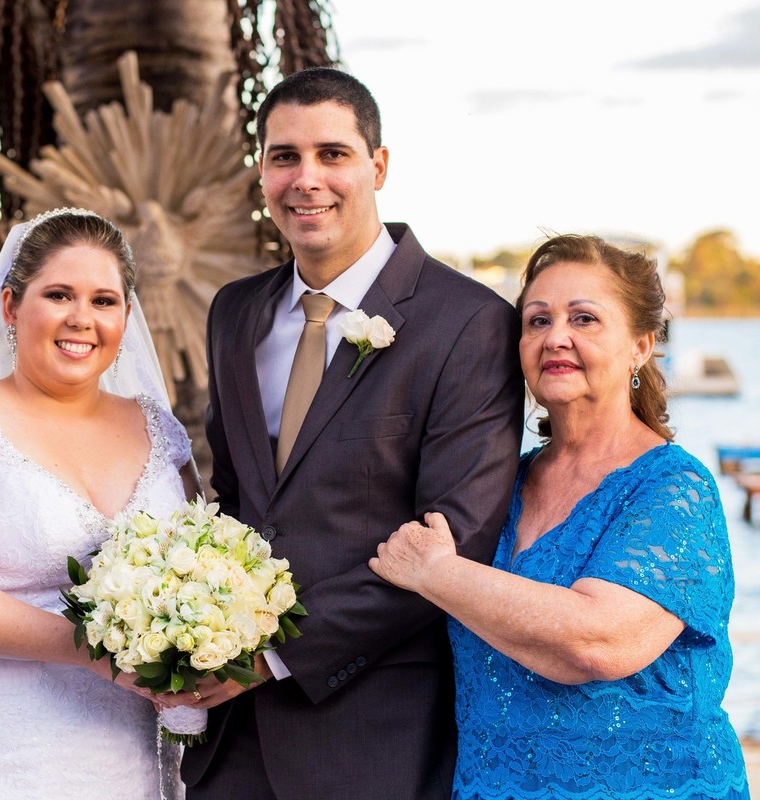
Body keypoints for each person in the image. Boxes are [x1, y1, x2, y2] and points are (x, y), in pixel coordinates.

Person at [180, 67, 524, 800]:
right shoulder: (234, 312)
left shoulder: (468, 322)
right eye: (284, 157)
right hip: (229, 744)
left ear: (379, 165)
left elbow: (456, 538)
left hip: (376, 737)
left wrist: (264, 658)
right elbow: (238, 501)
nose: (306, 179)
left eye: (332, 154)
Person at [370, 234, 749, 799]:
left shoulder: (673, 488)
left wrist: (436, 573)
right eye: (537, 320)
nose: (556, 338)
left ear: (641, 346)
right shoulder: (502, 482)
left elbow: (598, 642)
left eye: (585, 318)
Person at [0, 209, 193, 799]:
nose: (82, 319)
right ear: (10, 308)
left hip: (120, 754)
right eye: (59, 294)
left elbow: (201, 564)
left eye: (105, 300)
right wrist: (100, 653)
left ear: (127, 316)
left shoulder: (160, 430)